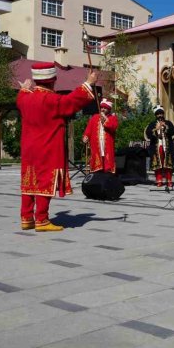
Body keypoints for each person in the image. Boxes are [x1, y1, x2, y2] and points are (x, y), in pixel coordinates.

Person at [17, 62, 98, 232]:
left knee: (29, 181)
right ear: (52, 81)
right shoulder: (52, 100)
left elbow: (22, 95)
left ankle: (26, 217)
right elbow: (72, 101)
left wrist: (24, 88)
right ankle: (41, 219)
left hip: (29, 149)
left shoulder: (24, 98)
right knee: (45, 181)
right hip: (46, 147)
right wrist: (88, 83)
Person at [83, 98, 118, 174]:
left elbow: (113, 127)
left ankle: (107, 173)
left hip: (107, 143)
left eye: (105, 108)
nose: (103, 109)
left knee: (107, 157)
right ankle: (97, 172)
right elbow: (89, 128)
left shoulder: (113, 118)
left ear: (109, 109)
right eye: (102, 107)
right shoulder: (95, 117)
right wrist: (86, 136)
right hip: (96, 143)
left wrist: (105, 120)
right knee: (97, 156)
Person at [145, 105, 174, 188]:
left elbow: (173, 130)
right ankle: (159, 181)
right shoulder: (152, 124)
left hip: (167, 147)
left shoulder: (168, 123)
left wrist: (165, 127)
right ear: (155, 115)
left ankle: (169, 181)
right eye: (158, 114)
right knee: (158, 164)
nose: (160, 115)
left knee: (168, 164)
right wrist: (156, 129)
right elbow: (148, 134)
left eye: (161, 113)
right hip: (156, 147)